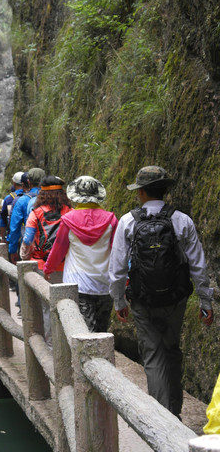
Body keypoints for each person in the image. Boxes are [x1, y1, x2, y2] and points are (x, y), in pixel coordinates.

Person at [109, 165, 214, 418]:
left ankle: (160, 418)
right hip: (175, 299)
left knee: (153, 354)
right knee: (172, 350)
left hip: (142, 300)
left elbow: (117, 268)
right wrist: (206, 301)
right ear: (165, 190)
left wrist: (118, 300)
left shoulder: (128, 221)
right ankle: (174, 411)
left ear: (141, 192)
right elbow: (198, 265)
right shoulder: (182, 220)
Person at [44, 175, 118, 333]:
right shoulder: (111, 220)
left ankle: (87, 358)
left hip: (78, 283)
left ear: (76, 196)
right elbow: (117, 252)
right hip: (105, 283)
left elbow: (59, 248)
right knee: (102, 330)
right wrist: (124, 279)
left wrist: (48, 268)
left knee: (84, 331)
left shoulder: (68, 220)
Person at [20, 175, 72, 344]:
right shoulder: (70, 212)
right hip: (66, 266)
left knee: (47, 307)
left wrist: (24, 256)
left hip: (42, 266)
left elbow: (27, 240)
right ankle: (66, 342)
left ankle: (51, 345)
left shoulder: (36, 213)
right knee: (68, 306)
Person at [8, 167, 46, 260]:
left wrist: (12, 250)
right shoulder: (54, 197)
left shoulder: (22, 200)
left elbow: (14, 228)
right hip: (51, 248)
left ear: (28, 182)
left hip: (30, 248)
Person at [0, 172, 24, 243]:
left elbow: (3, 220)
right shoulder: (32, 196)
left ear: (14, 183)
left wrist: (3, 237)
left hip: (13, 237)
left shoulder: (8, 199)